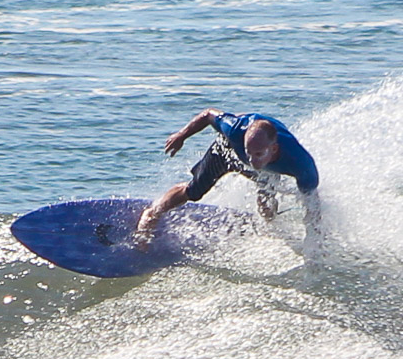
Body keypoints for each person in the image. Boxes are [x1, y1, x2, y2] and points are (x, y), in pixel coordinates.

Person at [136, 108, 321, 252]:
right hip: (227, 149)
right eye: (249, 153)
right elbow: (208, 114)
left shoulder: (301, 165)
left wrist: (313, 243)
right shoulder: (234, 129)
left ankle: (270, 228)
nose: (251, 161)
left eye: (257, 154)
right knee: (195, 191)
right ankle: (152, 213)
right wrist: (181, 135)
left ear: (273, 149)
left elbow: (313, 206)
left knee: (267, 207)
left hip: (268, 165)